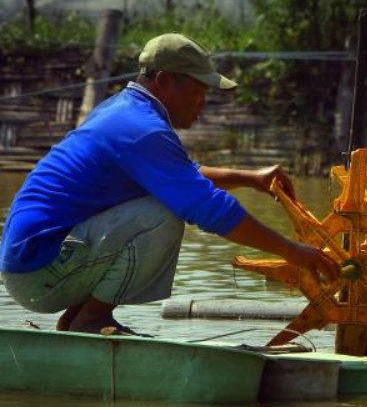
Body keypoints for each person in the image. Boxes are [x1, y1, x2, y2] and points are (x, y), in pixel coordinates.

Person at [0, 33, 340, 335]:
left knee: (166, 201)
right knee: (164, 215)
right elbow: (207, 208)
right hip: (38, 270)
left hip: (33, 264)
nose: (202, 104)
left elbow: (183, 176)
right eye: (198, 91)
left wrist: (249, 179)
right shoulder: (140, 128)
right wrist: (293, 252)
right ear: (163, 81)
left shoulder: (123, 110)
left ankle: (78, 321)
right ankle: (91, 319)